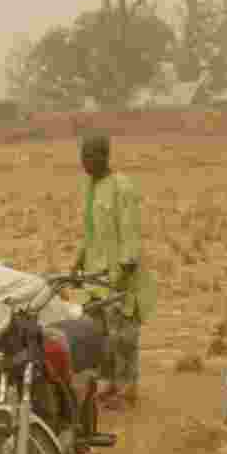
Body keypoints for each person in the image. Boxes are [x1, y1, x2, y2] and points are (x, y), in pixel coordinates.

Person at [72, 133, 157, 412]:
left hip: (119, 277)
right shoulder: (91, 187)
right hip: (95, 279)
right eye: (82, 156)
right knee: (100, 336)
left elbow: (130, 235)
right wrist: (77, 262)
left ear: (104, 156)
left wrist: (122, 277)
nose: (84, 162)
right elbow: (90, 232)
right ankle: (107, 384)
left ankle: (127, 389)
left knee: (123, 337)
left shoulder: (122, 187)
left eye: (89, 156)